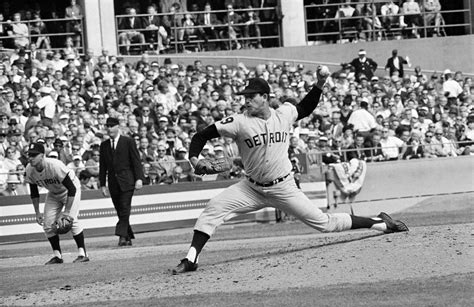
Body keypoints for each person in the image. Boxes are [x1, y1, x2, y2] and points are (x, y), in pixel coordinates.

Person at [171, 68, 409, 274]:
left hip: (283, 186)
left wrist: (320, 84)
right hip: (251, 188)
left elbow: (305, 107)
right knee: (214, 207)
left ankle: (380, 223)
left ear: (264, 97)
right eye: (245, 97)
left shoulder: (283, 113)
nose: (246, 101)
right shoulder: (239, 121)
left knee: (324, 223)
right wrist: (194, 159)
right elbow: (201, 135)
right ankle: (192, 258)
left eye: (251, 96)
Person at [24, 143, 89, 264]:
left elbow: (72, 189)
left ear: (42, 156)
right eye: (29, 155)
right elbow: (34, 193)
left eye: (34, 155)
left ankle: (83, 253)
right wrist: (37, 212)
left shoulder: (55, 165)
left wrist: (67, 212)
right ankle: (57, 256)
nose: (30, 158)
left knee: (70, 220)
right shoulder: (29, 169)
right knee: (48, 225)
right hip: (53, 193)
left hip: (70, 189)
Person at [99, 117, 144, 246]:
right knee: (120, 210)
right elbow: (103, 167)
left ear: (118, 127)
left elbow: (136, 161)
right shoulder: (104, 145)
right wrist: (102, 184)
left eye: (112, 126)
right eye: (107, 126)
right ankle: (128, 236)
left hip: (127, 181)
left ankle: (121, 236)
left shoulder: (128, 142)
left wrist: (139, 178)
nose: (109, 128)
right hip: (113, 183)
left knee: (124, 208)